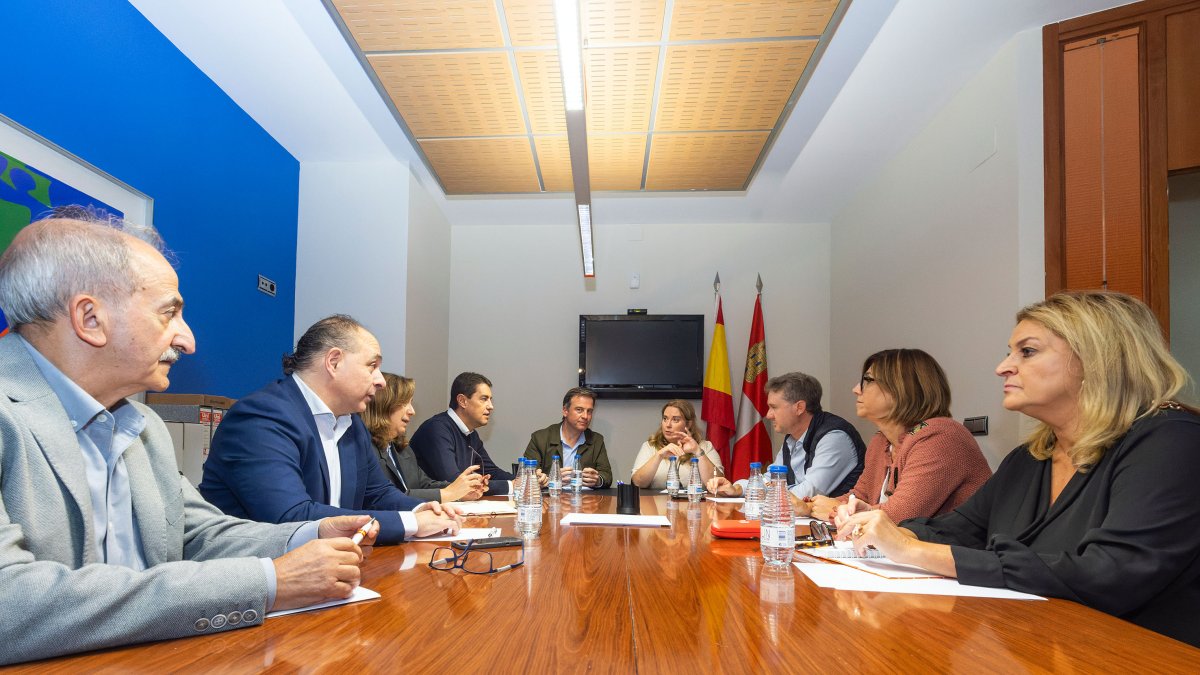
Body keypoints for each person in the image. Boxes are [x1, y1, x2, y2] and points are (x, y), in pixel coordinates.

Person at [0, 215, 380, 664]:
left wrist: (309, 534)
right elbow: (12, 604)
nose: (188, 339)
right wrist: (268, 581)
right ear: (90, 319)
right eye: (169, 313)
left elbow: (199, 533)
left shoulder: (143, 424)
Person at [836, 291, 1200, 647]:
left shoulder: (1170, 440)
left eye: (1027, 352)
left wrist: (911, 550)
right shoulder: (1032, 457)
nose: (1002, 367)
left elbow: (1112, 574)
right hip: (1041, 644)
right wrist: (885, 531)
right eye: (1009, 352)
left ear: (1096, 359)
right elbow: (959, 529)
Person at [199, 316, 461, 545]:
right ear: (334, 362)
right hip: (258, 586)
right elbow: (292, 518)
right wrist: (412, 523)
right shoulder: (260, 418)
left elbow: (377, 494)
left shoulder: (351, 423)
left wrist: (421, 509)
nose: (381, 381)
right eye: (372, 366)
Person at [802, 349, 991, 522]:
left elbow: (900, 516)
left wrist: (835, 508)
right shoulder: (880, 441)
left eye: (867, 380)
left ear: (901, 388)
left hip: (953, 554)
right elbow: (858, 497)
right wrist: (809, 506)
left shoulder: (941, 436)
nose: (856, 389)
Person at [708, 372, 865, 499]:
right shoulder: (792, 438)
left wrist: (764, 493)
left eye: (773, 407)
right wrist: (736, 488)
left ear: (799, 407)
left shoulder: (834, 437)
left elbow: (809, 492)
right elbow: (771, 479)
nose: (768, 415)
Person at [364, 372, 485, 501]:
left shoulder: (402, 448)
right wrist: (448, 494)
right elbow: (388, 497)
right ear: (383, 405)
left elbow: (424, 484)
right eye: (405, 403)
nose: (412, 411)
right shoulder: (366, 448)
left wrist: (462, 491)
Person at [408, 372, 516, 496]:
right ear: (462, 401)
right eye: (484, 399)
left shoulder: (471, 433)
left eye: (490, 400)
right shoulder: (436, 429)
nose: (491, 406)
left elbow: (492, 472)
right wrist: (510, 486)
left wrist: (524, 481)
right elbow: (453, 482)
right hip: (426, 508)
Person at [523, 386, 614, 489]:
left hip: (585, 501)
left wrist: (598, 480)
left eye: (589, 411)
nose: (585, 416)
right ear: (565, 411)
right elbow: (526, 476)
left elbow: (607, 476)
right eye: (579, 410)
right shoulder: (540, 438)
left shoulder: (596, 440)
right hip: (550, 499)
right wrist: (552, 478)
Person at [631, 399, 723, 489]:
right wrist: (659, 455)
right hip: (657, 503)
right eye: (665, 418)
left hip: (696, 502)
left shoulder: (705, 446)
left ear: (688, 424)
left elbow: (717, 483)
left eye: (675, 420)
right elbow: (637, 483)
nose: (668, 425)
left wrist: (697, 451)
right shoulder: (650, 446)